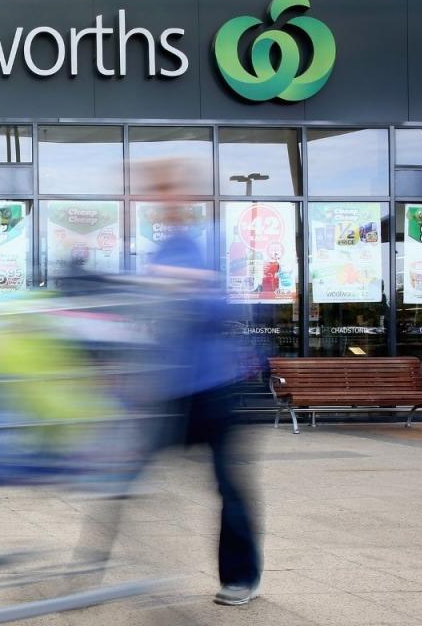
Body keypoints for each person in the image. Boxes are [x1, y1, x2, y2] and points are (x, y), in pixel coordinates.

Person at [140, 158, 263, 606]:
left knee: (227, 485)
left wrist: (191, 286)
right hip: (170, 390)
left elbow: (226, 310)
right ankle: (107, 564)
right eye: (155, 191)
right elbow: (148, 313)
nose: (160, 199)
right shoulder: (163, 249)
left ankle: (241, 576)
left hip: (215, 386)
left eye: (167, 189)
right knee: (120, 473)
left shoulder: (213, 242)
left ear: (188, 195)